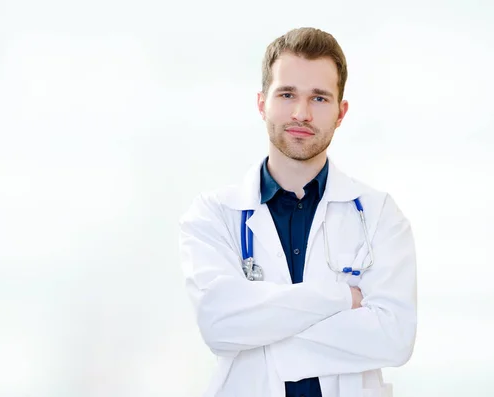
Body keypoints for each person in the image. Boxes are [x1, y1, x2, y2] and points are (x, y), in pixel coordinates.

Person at [178, 27, 417, 397]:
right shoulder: (213, 216)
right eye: (287, 94)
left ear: (341, 112)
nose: (301, 113)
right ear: (262, 104)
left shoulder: (380, 215)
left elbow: (394, 337)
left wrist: (261, 335)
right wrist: (342, 298)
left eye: (319, 98)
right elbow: (219, 324)